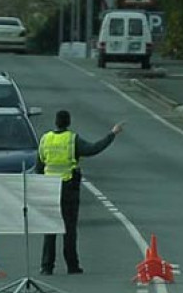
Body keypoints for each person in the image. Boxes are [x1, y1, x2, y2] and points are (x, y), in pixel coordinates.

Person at [38, 110, 123, 275]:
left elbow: (39, 165)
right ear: (68, 122)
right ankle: (72, 265)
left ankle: (47, 266)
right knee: (69, 228)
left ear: (55, 122)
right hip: (68, 187)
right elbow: (93, 149)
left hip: (49, 188)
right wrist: (112, 134)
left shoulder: (45, 139)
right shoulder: (72, 139)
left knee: (50, 228)